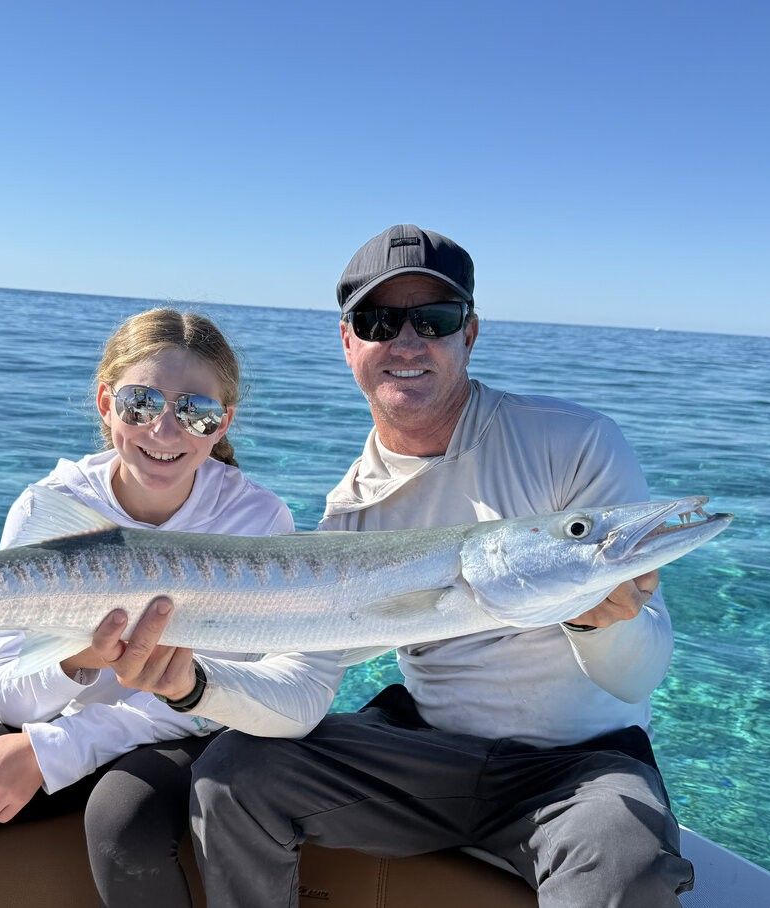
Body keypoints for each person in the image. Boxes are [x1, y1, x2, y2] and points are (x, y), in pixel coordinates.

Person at [120, 225, 694, 906]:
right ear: (348, 343)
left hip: (579, 768)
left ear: (469, 333)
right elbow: (302, 686)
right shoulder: (352, 513)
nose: (407, 342)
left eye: (435, 319)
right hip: (426, 756)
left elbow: (638, 675)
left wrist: (603, 623)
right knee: (233, 775)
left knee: (624, 856)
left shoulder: (572, 442)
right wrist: (193, 685)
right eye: (378, 321)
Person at [0, 308, 302, 908]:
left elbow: (212, 699)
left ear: (222, 422)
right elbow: (7, 695)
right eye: (141, 403)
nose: (164, 432)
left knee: (124, 819)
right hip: (74, 715)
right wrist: (79, 661)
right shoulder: (49, 508)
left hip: (192, 727)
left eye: (196, 412)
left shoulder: (256, 521)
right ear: (105, 403)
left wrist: (50, 751)